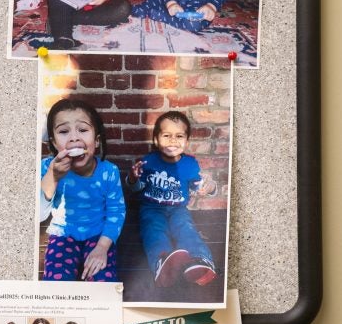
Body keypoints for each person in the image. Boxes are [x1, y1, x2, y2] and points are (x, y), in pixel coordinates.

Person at [126, 110, 218, 286]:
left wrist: (209, 186)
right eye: (167, 135)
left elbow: (198, 185)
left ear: (187, 141)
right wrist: (133, 179)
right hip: (151, 208)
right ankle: (162, 263)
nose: (173, 140)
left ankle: (200, 260)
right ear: (156, 140)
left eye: (179, 136)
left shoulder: (190, 164)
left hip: (178, 209)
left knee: (186, 228)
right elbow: (136, 188)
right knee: (153, 231)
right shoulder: (148, 161)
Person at [40, 97, 125, 281]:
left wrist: (102, 247)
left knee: (103, 282)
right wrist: (53, 177)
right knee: (56, 285)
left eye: (83, 130)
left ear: (96, 140)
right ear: (54, 143)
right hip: (62, 235)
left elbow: (116, 212)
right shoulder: (47, 168)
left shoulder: (109, 172)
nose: (74, 137)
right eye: (64, 131)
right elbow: (38, 214)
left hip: (99, 235)